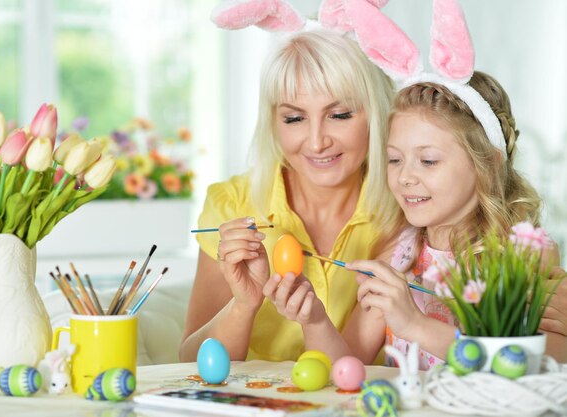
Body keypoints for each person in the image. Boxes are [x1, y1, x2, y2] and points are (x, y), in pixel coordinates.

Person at [265, 70, 567, 368]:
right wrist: (314, 318)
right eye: (394, 159)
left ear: (487, 164)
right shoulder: (399, 254)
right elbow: (345, 368)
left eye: (428, 161)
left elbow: (543, 360)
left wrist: (416, 325)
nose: (405, 177)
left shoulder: (522, 253)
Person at [178, 25, 394, 362]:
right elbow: (190, 361)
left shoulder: (403, 214)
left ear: (376, 114)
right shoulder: (232, 203)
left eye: (339, 115)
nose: (317, 141)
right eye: (294, 118)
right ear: (273, 122)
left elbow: (349, 371)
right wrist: (243, 306)